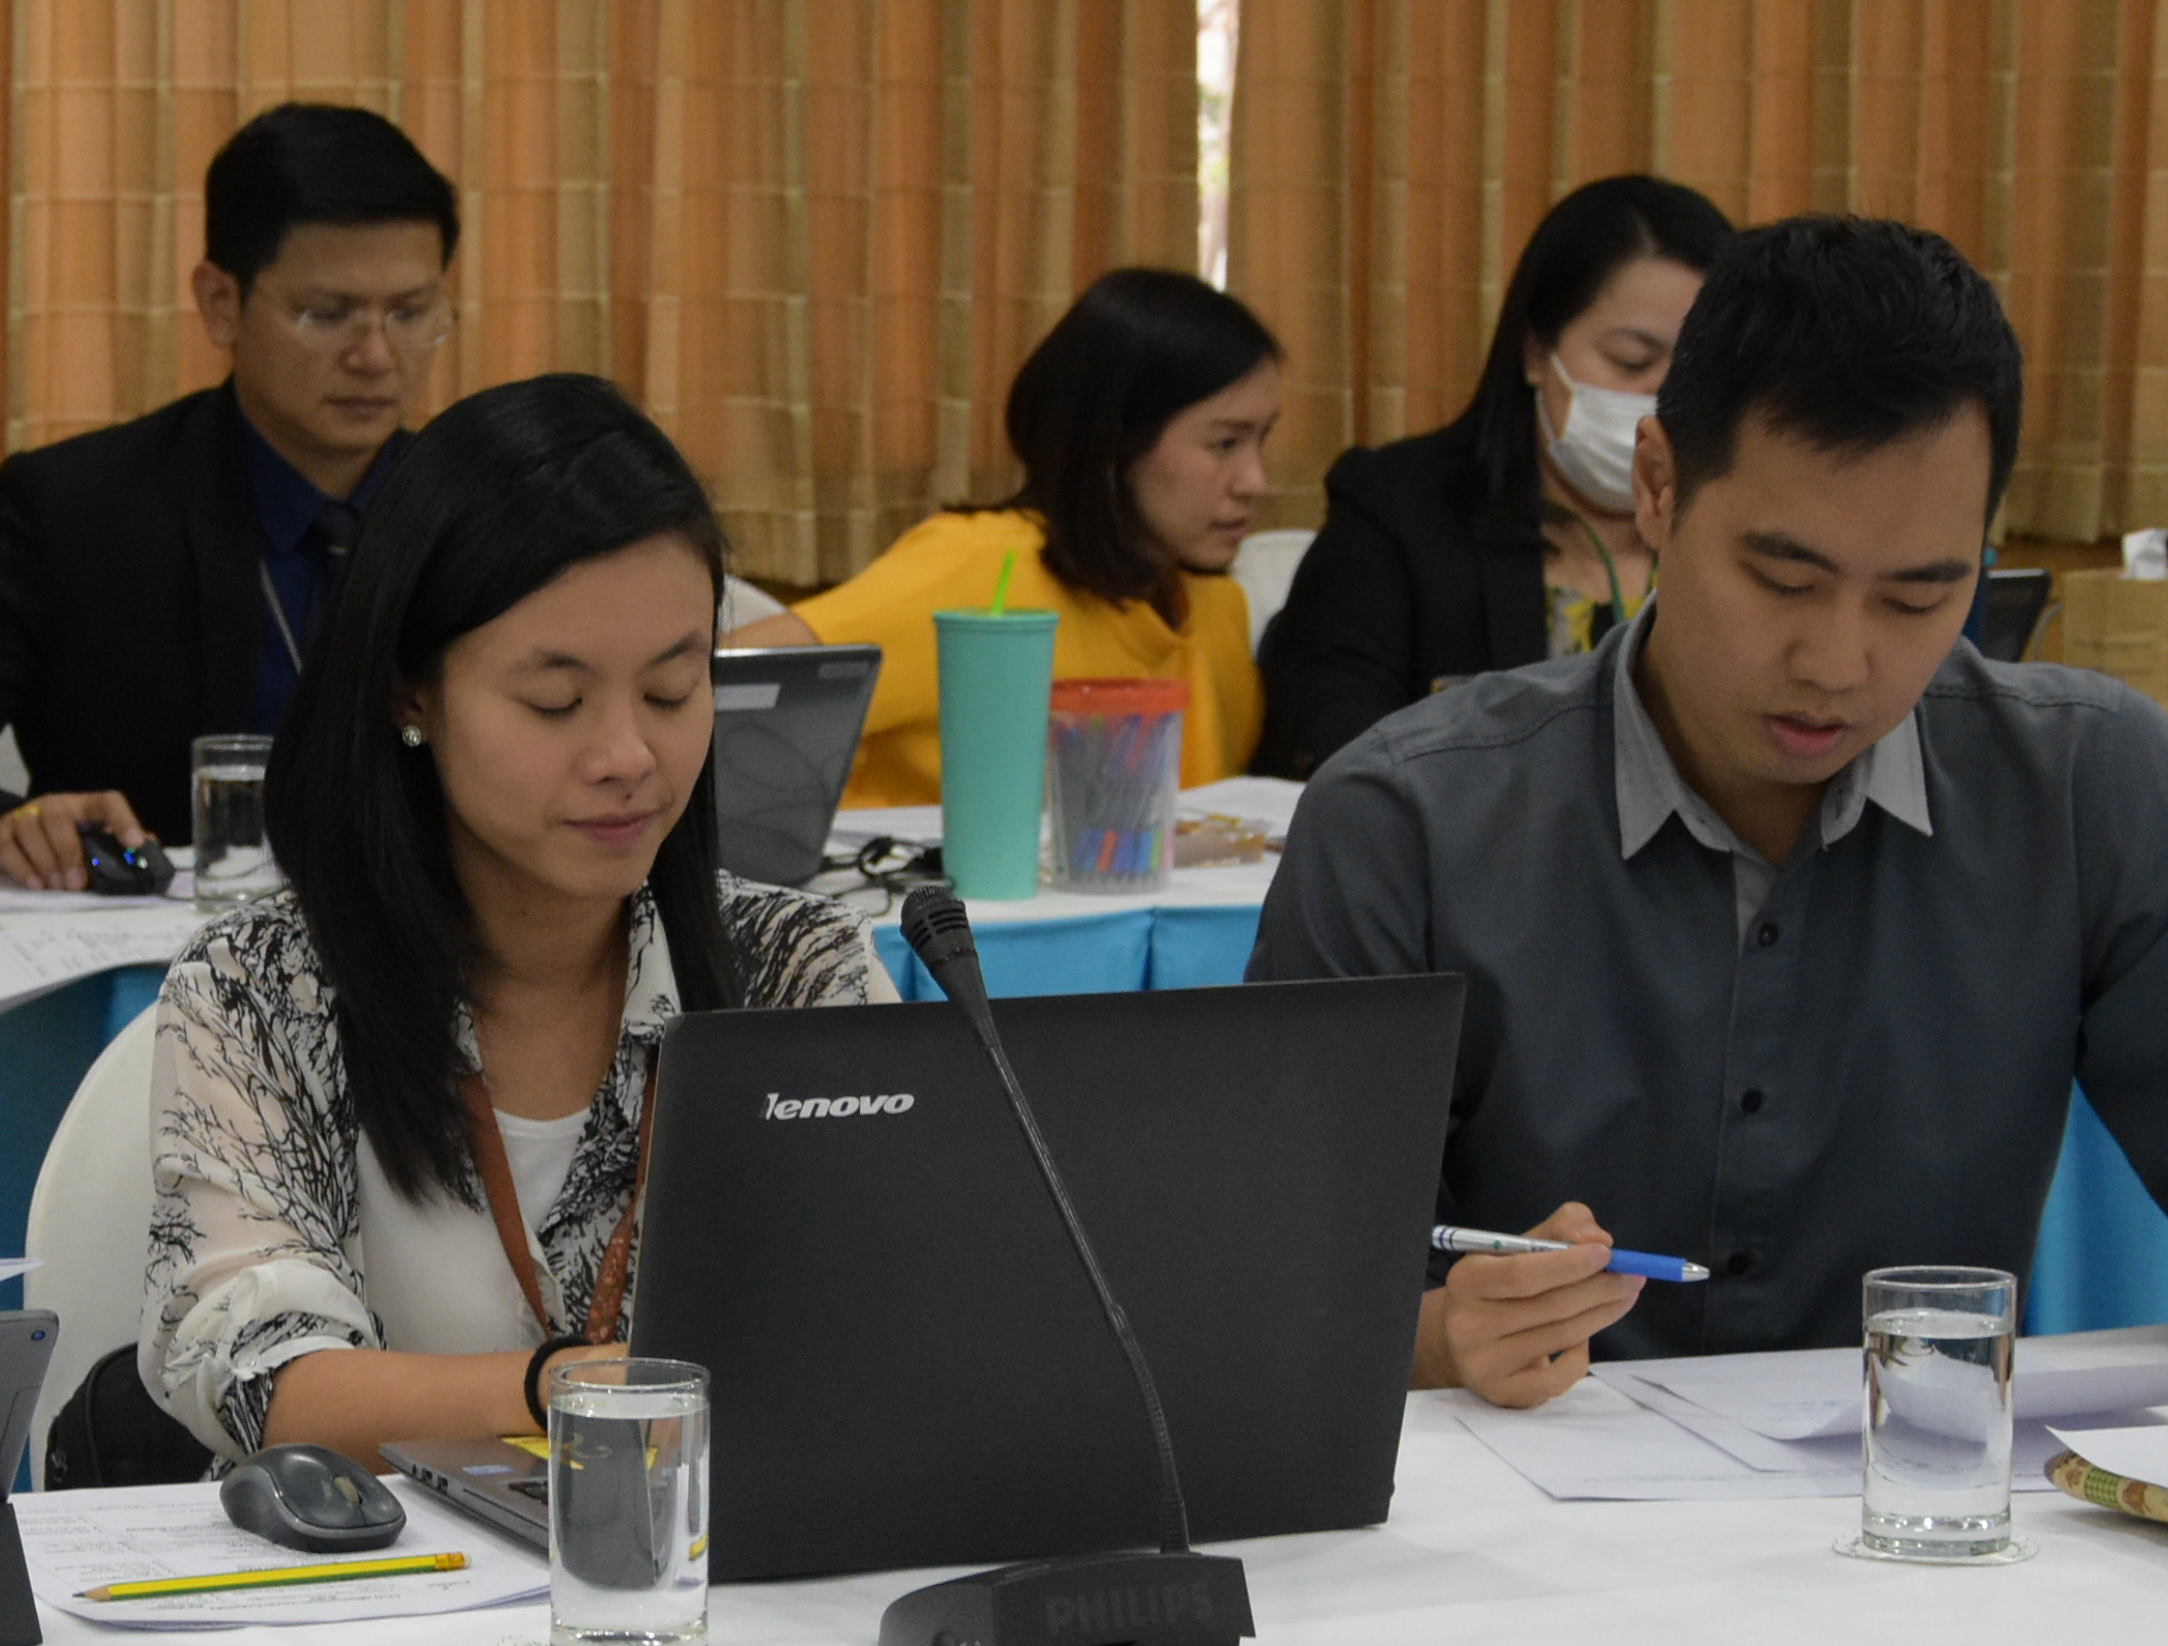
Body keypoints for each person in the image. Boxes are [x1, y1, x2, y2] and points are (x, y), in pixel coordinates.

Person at [1249, 214, 2168, 1421]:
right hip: (1514, 1507)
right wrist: (1434, 1337)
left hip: (1926, 1499)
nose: (1835, 663)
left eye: (1917, 597)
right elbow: (1265, 1285)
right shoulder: (1409, 823)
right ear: (1657, 487)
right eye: (1781, 580)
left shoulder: (2083, 787)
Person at [148, 373, 891, 1463]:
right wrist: (566, 1391)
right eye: (556, 702)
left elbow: (894, 1325)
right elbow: (261, 1382)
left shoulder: (792, 967)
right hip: (383, 1560)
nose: (627, 757)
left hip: (711, 1559)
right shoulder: (262, 989)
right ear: (410, 692)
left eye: (673, 690)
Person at [0, 102, 461, 887]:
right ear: (221, 303)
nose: (376, 357)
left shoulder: (480, 513)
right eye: (326, 315)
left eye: (410, 313)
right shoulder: (80, 515)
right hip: (160, 957)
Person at [732, 268, 1280, 805]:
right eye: (1224, 444)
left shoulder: (1215, 605)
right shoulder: (977, 568)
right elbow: (724, 684)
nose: (1254, 481)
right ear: (1114, 439)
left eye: (1263, 439)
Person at [1255, 174, 1733, 778]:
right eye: (1630, 361)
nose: (1660, 398)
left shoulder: (1744, 533)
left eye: (1695, 370)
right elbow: (1333, 740)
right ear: (1535, 351)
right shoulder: (1399, 511)